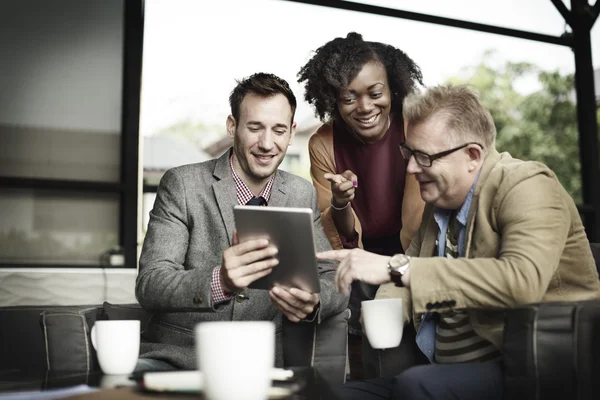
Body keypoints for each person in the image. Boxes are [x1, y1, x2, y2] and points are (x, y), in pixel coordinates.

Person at [318, 84, 600, 399]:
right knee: (333, 394)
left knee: (417, 386)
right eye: (408, 153)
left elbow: (523, 280)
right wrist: (381, 313)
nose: (411, 168)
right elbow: (402, 276)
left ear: (472, 155)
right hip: (441, 370)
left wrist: (397, 268)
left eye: (424, 157)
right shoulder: (437, 204)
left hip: (529, 365)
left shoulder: (527, 185)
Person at [135, 72, 348, 372]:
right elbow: (150, 284)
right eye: (255, 127)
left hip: (260, 365)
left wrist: (313, 300)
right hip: (178, 360)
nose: (266, 143)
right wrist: (220, 281)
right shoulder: (182, 183)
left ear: (291, 132)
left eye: (278, 130)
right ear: (232, 126)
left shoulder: (301, 193)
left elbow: (334, 276)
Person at [297, 32, 426, 379]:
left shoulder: (416, 126)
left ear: (393, 90)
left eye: (375, 93)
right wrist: (341, 203)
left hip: (415, 254)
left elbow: (419, 222)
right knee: (350, 294)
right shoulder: (323, 143)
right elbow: (339, 237)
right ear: (333, 100)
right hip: (359, 255)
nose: (365, 107)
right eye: (348, 97)